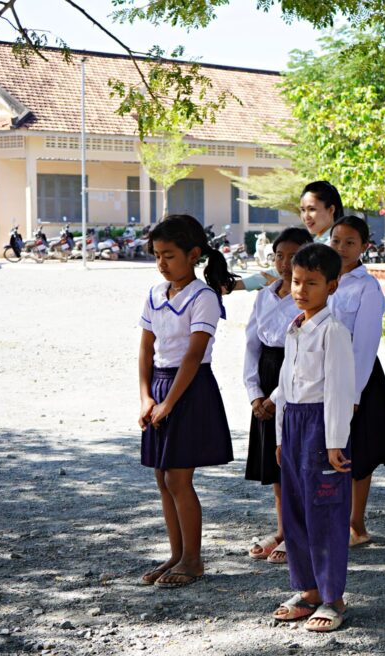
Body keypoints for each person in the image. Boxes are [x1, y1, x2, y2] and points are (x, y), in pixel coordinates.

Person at [137, 214, 238, 588]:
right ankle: (176, 554)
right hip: (162, 387)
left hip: (190, 389)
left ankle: (193, 559)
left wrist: (168, 403)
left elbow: (193, 357)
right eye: (157, 256)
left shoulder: (204, 297)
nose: (162, 263)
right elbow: (147, 349)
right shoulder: (153, 294)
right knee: (162, 478)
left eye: (169, 255)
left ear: (193, 254)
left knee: (179, 478)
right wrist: (147, 396)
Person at [269, 243, 355, 632]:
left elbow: (339, 390)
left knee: (326, 513)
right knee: (296, 512)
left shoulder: (333, 331)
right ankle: (307, 590)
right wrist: (280, 436)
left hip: (322, 428)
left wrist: (335, 441)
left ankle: (333, 596)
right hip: (294, 427)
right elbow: (286, 386)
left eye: (312, 283)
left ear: (332, 286)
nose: (301, 290)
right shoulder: (296, 327)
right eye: (296, 281)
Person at [328, 216, 385, 547]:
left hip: (357, 375)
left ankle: (355, 523)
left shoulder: (367, 286)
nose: (342, 248)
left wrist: (355, 392)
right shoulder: (323, 277)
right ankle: (331, 518)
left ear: (364, 247)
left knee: (358, 453)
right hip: (324, 373)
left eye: (350, 242)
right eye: (336, 241)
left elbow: (365, 343)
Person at [244, 226, 313, 566]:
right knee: (275, 468)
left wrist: (275, 397)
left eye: (294, 256)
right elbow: (251, 345)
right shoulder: (264, 294)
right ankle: (284, 530)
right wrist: (255, 393)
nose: (285, 264)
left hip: (294, 382)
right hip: (267, 375)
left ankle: (300, 533)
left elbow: (301, 356)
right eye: (279, 256)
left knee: (295, 463)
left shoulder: (307, 300)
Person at [234, 181, 345, 292]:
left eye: (312, 209)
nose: (306, 216)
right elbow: (279, 271)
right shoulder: (317, 242)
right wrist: (236, 285)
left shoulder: (335, 246)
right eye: (302, 210)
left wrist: (283, 288)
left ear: (331, 210)